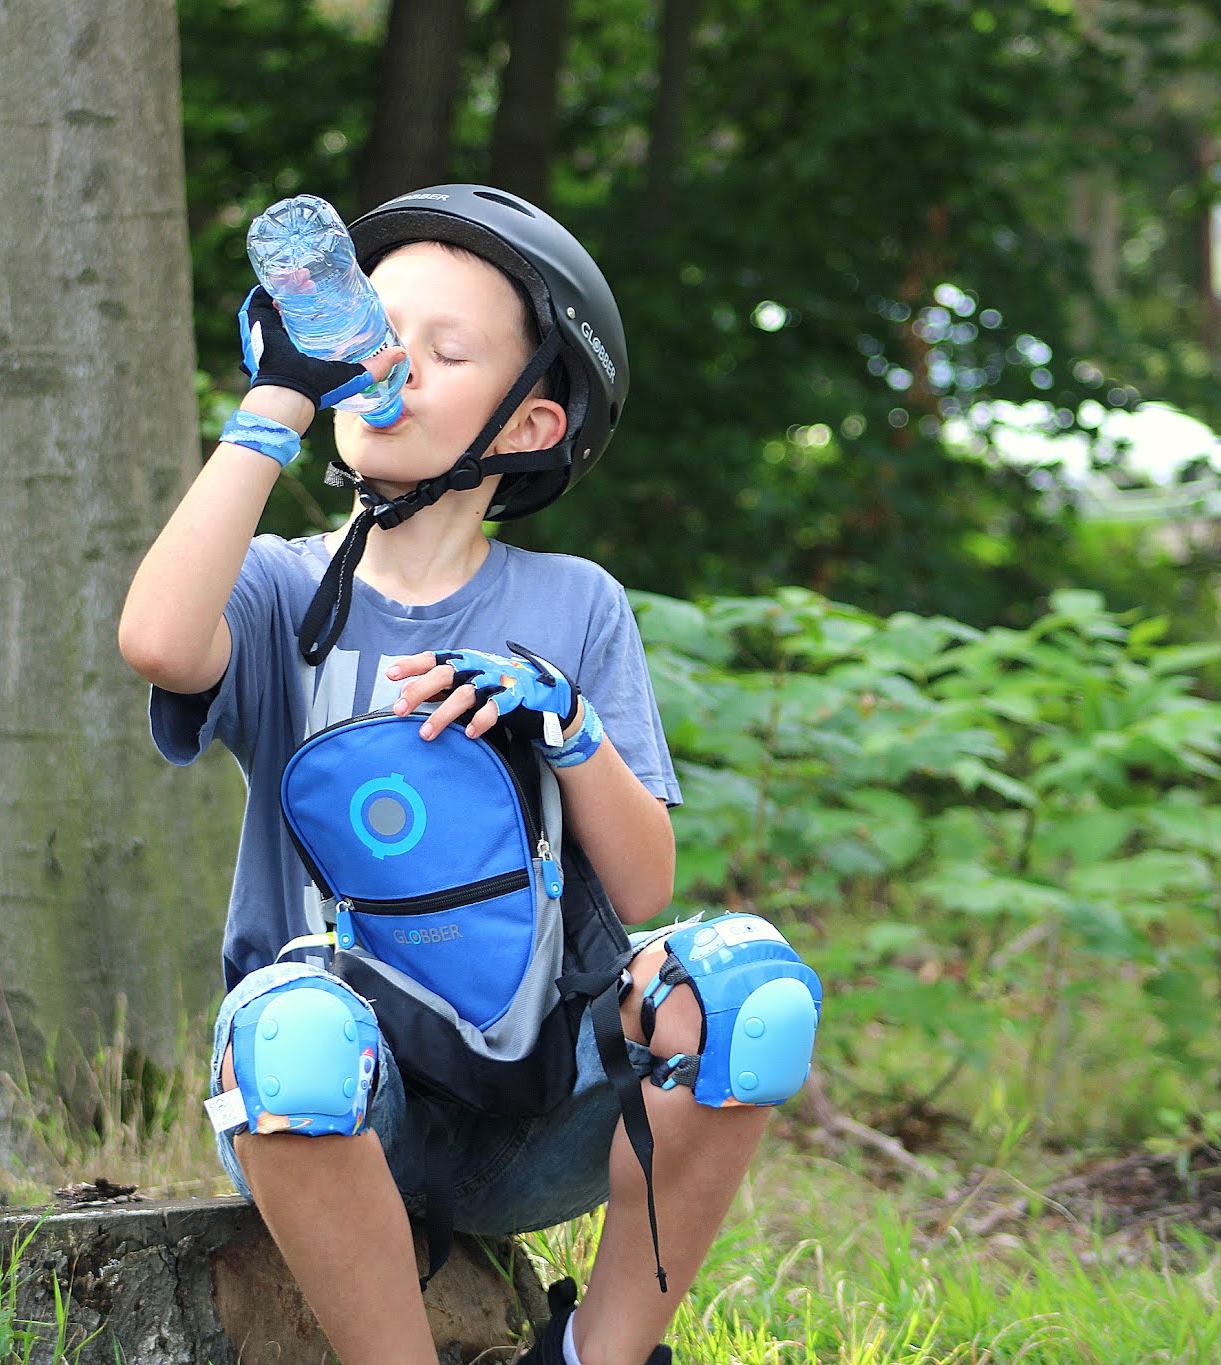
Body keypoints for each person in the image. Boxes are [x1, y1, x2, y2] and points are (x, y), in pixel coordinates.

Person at [119, 185, 788, 1365]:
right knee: (293, 1040)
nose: (390, 366)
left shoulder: (573, 603)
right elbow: (161, 644)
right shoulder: (278, 589)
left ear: (528, 426)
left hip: (538, 1104)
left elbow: (641, 892)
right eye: (373, 333)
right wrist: (275, 395)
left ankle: (596, 1355)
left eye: (443, 350)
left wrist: (568, 725)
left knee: (745, 995)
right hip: (332, 1102)